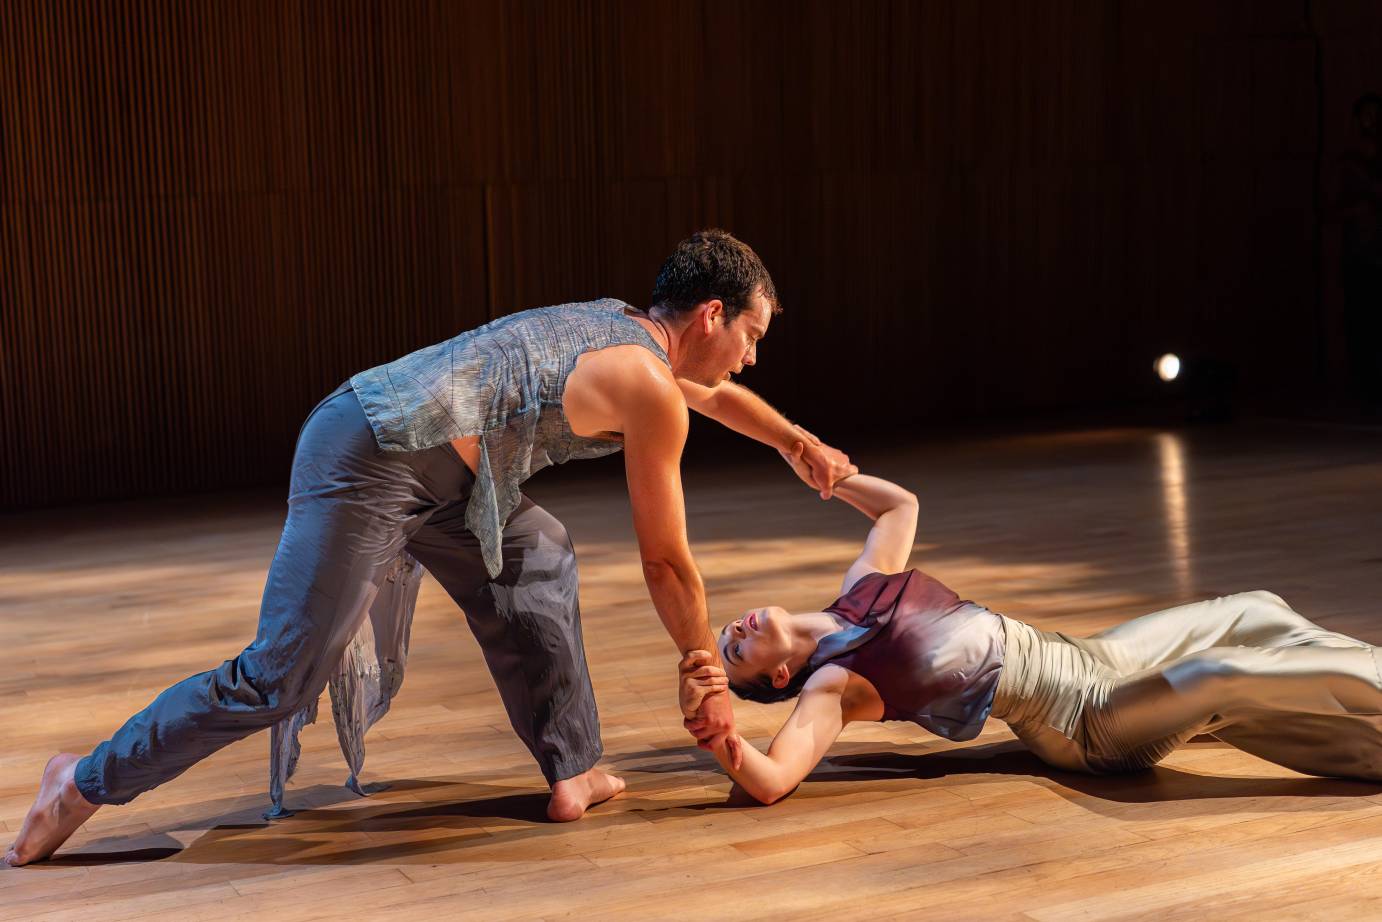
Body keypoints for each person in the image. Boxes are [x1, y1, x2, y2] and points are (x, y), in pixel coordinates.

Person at [5, 229, 856, 866]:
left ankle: (572, 769)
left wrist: (794, 441)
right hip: (371, 449)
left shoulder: (626, 333)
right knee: (282, 674)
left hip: (450, 481)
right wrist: (703, 666)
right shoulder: (648, 384)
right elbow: (666, 561)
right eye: (751, 337)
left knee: (538, 555)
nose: (748, 359)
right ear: (713, 314)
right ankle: (80, 781)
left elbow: (708, 397)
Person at [680, 448, 1381, 805]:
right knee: (1221, 670)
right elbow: (772, 780)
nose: (734, 630)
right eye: (735, 651)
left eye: (727, 632)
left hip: (1086, 655)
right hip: (1086, 724)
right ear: (777, 677)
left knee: (1252, 608)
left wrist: (826, 473)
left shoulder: (862, 587)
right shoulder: (832, 687)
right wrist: (723, 737)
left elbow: (900, 509)